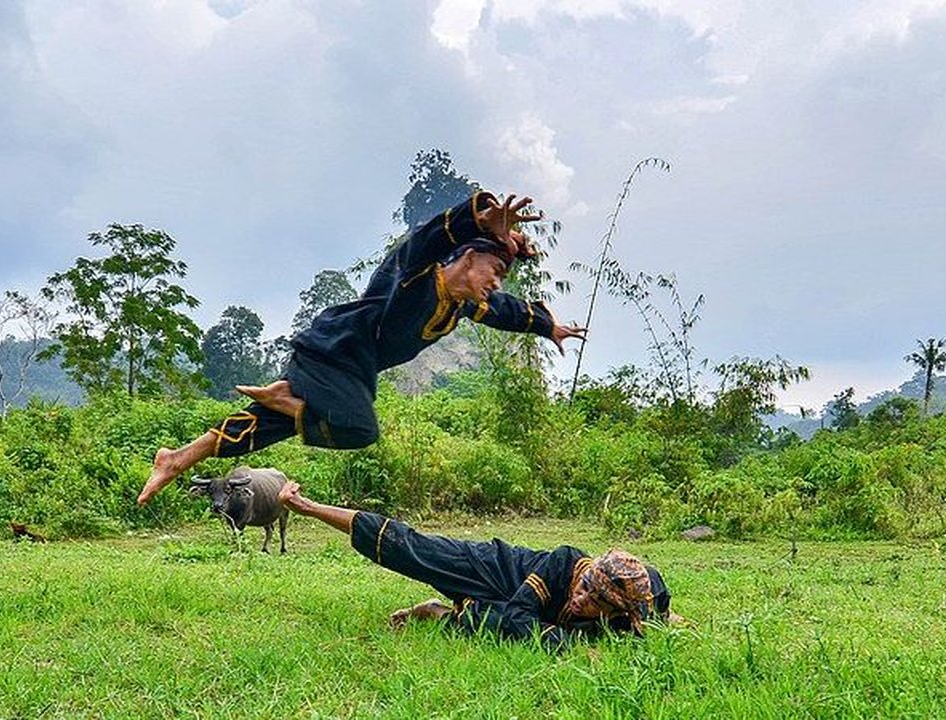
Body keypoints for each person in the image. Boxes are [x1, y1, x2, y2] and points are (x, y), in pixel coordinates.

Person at [138, 191, 586, 506]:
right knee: (359, 428)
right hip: (334, 349)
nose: (496, 283)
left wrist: (548, 327)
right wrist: (478, 219)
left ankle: (176, 459)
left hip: (351, 369)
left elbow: (504, 310)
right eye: (493, 270)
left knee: (268, 427)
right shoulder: (413, 276)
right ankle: (287, 404)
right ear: (467, 259)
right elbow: (424, 241)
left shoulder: (460, 307)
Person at [275, 480, 675, 650]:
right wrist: (566, 642)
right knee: (412, 549)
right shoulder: (566, 561)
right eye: (583, 587)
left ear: (616, 609)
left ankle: (433, 613)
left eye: (592, 599)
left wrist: (673, 620)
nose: (580, 597)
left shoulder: (633, 606)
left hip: (507, 609)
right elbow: (522, 615)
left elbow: (657, 605)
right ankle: (307, 507)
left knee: (491, 627)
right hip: (491, 568)